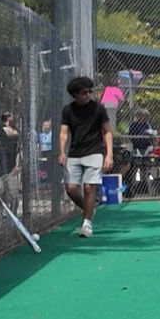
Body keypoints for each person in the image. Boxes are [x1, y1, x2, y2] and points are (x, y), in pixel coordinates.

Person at [58, 76, 113, 238]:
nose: (88, 95)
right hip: (75, 153)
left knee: (89, 187)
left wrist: (109, 154)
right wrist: (61, 152)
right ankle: (90, 209)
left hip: (95, 152)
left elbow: (108, 131)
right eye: (84, 93)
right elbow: (63, 133)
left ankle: (86, 224)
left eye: (90, 91)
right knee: (71, 189)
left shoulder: (99, 109)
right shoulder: (68, 110)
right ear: (75, 94)